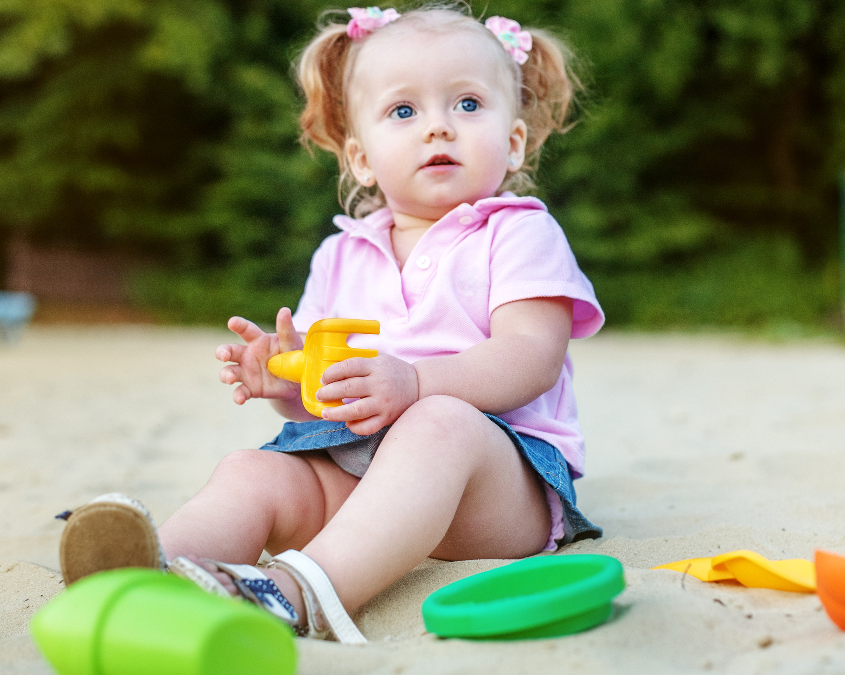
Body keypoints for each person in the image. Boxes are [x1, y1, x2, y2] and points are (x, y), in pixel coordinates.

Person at [56, 4, 604, 643]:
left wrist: (416, 383)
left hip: (500, 484)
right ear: (362, 158)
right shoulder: (342, 254)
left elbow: (529, 356)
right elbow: (321, 401)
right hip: (364, 480)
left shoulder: (518, 231)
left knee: (439, 420)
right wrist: (287, 384)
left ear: (513, 141)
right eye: (405, 112)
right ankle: (151, 574)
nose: (437, 129)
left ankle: (297, 592)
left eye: (467, 105)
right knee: (251, 470)